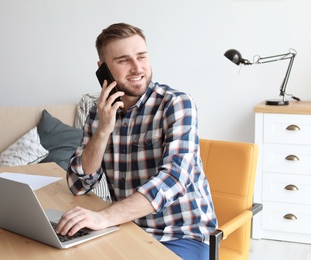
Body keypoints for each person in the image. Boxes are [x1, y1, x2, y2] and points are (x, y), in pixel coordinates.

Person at [56, 23, 217, 259]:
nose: (137, 67)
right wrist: (102, 131)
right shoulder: (99, 113)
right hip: (128, 229)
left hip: (182, 236)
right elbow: (78, 184)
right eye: (123, 60)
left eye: (141, 56)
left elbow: (173, 178)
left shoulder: (176, 104)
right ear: (103, 70)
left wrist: (104, 217)